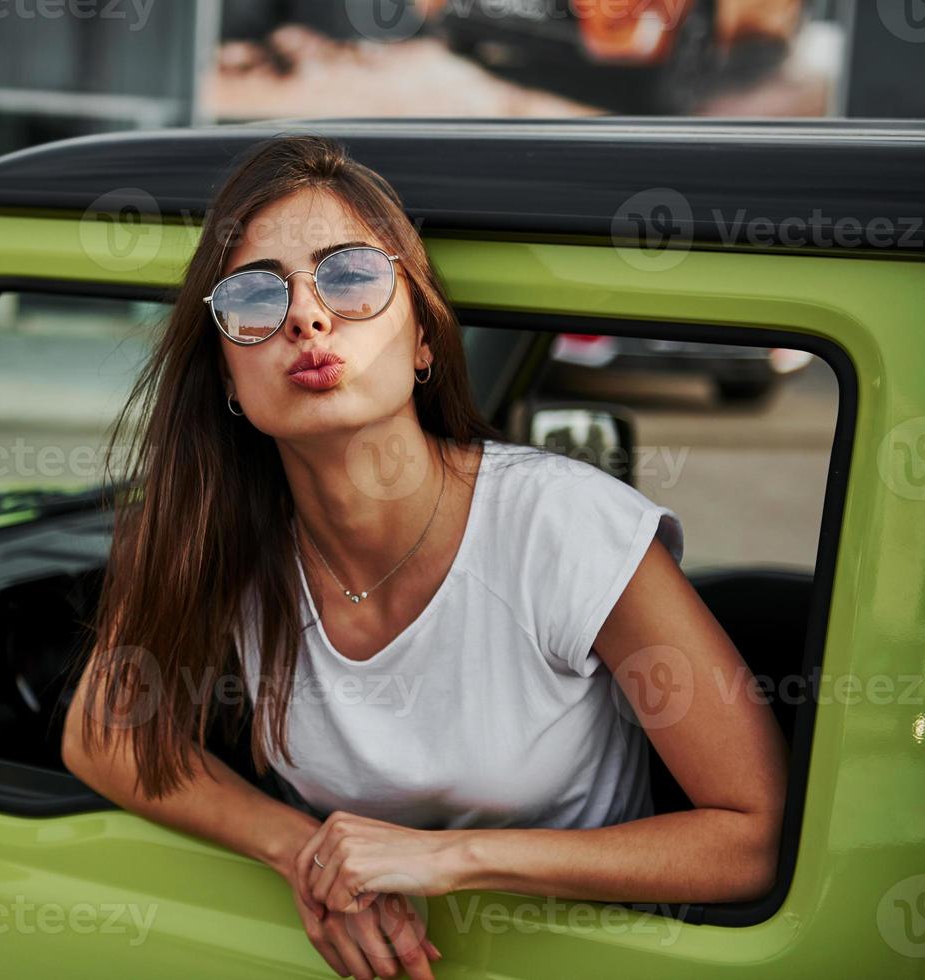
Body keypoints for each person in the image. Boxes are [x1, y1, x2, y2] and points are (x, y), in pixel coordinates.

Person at [61, 133, 787, 980]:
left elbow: (752, 836)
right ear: (226, 376)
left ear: (423, 342)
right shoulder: (218, 535)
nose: (306, 314)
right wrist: (301, 851)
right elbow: (102, 733)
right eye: (255, 297)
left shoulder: (561, 524)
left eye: (353, 276)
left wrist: (446, 860)